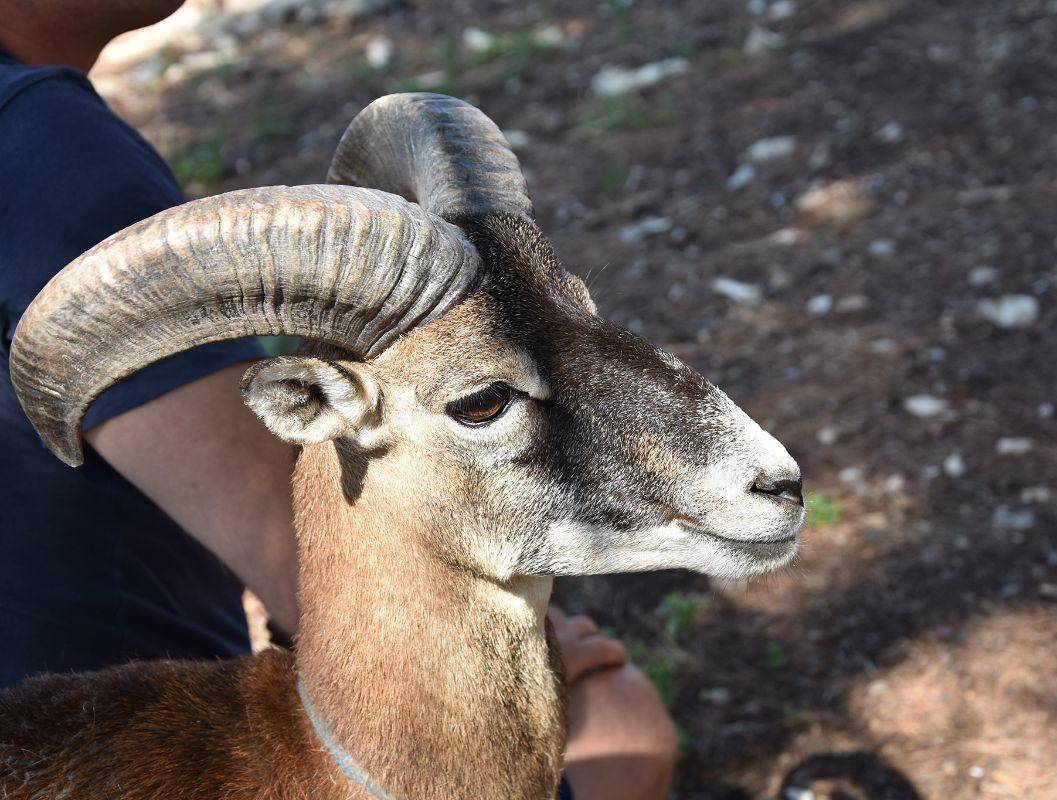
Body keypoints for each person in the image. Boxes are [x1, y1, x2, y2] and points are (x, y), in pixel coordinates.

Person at [0, 3, 676, 798]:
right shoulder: (37, 149)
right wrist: (556, 720)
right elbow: (314, 573)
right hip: (111, 766)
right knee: (623, 727)